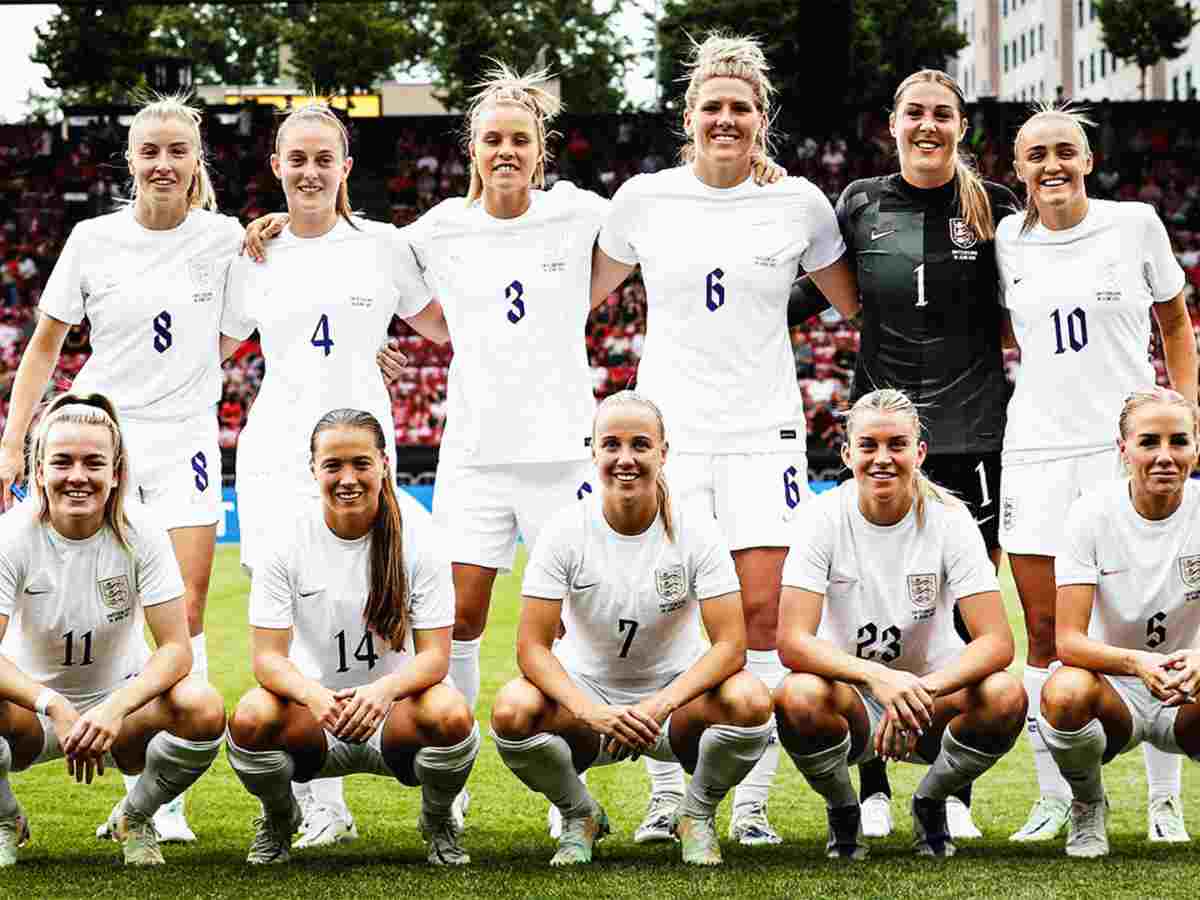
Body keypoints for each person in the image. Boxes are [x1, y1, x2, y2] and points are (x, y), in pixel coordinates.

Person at [589, 32, 860, 846]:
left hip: (762, 434)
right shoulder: (642, 199)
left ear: (763, 118)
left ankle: (746, 805)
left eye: (742, 107)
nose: (726, 119)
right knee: (671, 615)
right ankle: (665, 799)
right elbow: (574, 292)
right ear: (689, 115)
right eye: (713, 106)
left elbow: (855, 303)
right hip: (669, 437)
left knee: (765, 620)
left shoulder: (801, 204)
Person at [0, 94, 242, 843]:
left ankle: (157, 799)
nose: (164, 163)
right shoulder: (93, 239)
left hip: (186, 442)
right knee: (78, 587)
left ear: (196, 159)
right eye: (151, 151)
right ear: (131, 159)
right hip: (102, 437)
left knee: (184, 611)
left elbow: (273, 317)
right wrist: (14, 441)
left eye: (178, 150)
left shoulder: (227, 238)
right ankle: (52, 713)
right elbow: (44, 345)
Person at [792, 69, 1019, 841]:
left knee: (961, 612)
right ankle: (875, 780)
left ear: (962, 126)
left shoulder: (998, 206)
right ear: (892, 124)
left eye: (943, 114)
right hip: (883, 436)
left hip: (972, 434)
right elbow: (812, 293)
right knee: (864, 605)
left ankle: (952, 789)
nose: (929, 125)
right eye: (915, 113)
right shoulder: (858, 200)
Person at [221, 100, 448, 848]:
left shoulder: (385, 247)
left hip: (359, 456)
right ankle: (319, 805)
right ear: (276, 167)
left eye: (327, 159)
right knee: (295, 631)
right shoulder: (251, 255)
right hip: (275, 455)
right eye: (298, 158)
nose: (312, 171)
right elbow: (212, 345)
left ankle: (430, 769)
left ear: (346, 169)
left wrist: (389, 350)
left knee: (379, 603)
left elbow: (445, 325)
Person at [997, 104, 1198, 843]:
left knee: (1164, 612)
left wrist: (1186, 411)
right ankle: (1063, 796)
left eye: (1065, 152)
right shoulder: (1005, 242)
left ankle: (1164, 799)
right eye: (1036, 154)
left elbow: (1176, 323)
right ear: (1018, 170)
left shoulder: (1135, 224)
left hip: (1128, 447)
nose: (1052, 165)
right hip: (1036, 454)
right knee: (1047, 634)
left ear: (1087, 160)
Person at [490, 391, 773, 866]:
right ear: (593, 452)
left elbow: (731, 646)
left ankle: (695, 813)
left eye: (640, 445)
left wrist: (661, 704)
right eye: (612, 445)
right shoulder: (564, 530)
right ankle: (579, 812)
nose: (626, 459)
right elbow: (531, 649)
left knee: (750, 701)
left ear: (664, 453)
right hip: (587, 703)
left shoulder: (697, 530)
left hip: (674, 705)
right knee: (512, 709)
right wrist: (589, 712)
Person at [775, 389, 1026, 859]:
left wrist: (917, 692)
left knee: (1005, 695)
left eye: (897, 444)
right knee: (797, 696)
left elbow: (996, 642)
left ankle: (931, 799)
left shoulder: (952, 519)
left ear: (920, 452)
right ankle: (843, 806)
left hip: (929, 700)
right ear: (848, 453)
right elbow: (792, 642)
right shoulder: (819, 517)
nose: (882, 458)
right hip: (848, 698)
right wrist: (879, 678)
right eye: (868, 445)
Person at [225, 409, 478, 865]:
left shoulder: (421, 536)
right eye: (333, 465)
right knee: (250, 717)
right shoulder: (283, 539)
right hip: (315, 717)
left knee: (452, 714)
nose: (348, 479)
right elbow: (267, 659)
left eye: (361, 463)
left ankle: (438, 819)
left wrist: (383, 692)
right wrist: (313, 695)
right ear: (313, 470)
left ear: (384, 463)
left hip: (396, 714)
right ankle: (280, 817)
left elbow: (436, 658)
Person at [0, 393, 226, 866]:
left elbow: (176, 650)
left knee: (202, 706)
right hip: (31, 715)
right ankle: (6, 819)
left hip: (121, 715)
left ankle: (136, 815)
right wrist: (53, 704)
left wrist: (116, 707)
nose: (77, 476)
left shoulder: (141, 530)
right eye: (62, 461)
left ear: (117, 471)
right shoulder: (11, 536)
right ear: (39, 468)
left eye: (93, 462)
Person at [1038, 388, 1200, 857]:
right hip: (1116, 693)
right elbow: (1067, 641)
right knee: (1064, 691)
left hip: (1191, 690)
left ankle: (1166, 801)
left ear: (1196, 446)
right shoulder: (1090, 513)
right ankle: (1088, 804)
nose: (1165, 456)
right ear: (1123, 448)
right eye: (1149, 442)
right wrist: (1138, 663)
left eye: (1179, 441)